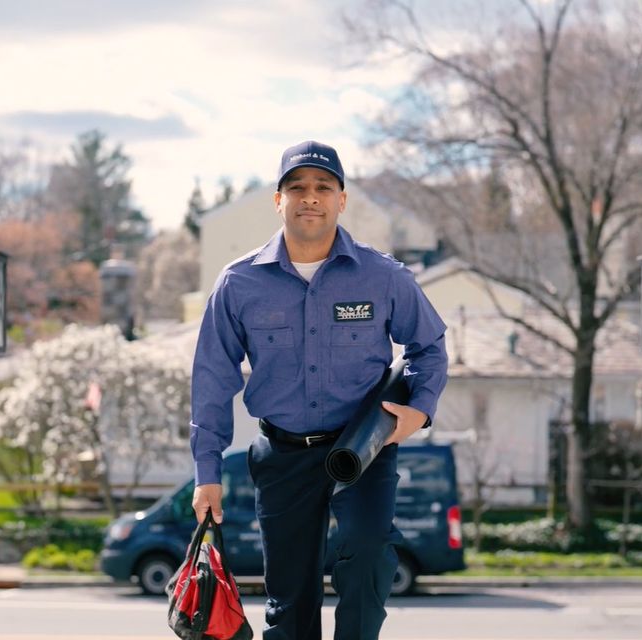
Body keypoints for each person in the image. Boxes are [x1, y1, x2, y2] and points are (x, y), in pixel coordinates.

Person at [189, 140, 448, 640]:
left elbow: (430, 346)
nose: (311, 197)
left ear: (341, 200)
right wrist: (207, 470)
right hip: (282, 454)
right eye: (298, 187)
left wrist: (420, 409)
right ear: (278, 200)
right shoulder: (238, 283)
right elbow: (212, 376)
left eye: (323, 187)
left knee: (369, 554)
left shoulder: (383, 276)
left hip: (362, 451)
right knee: (289, 606)